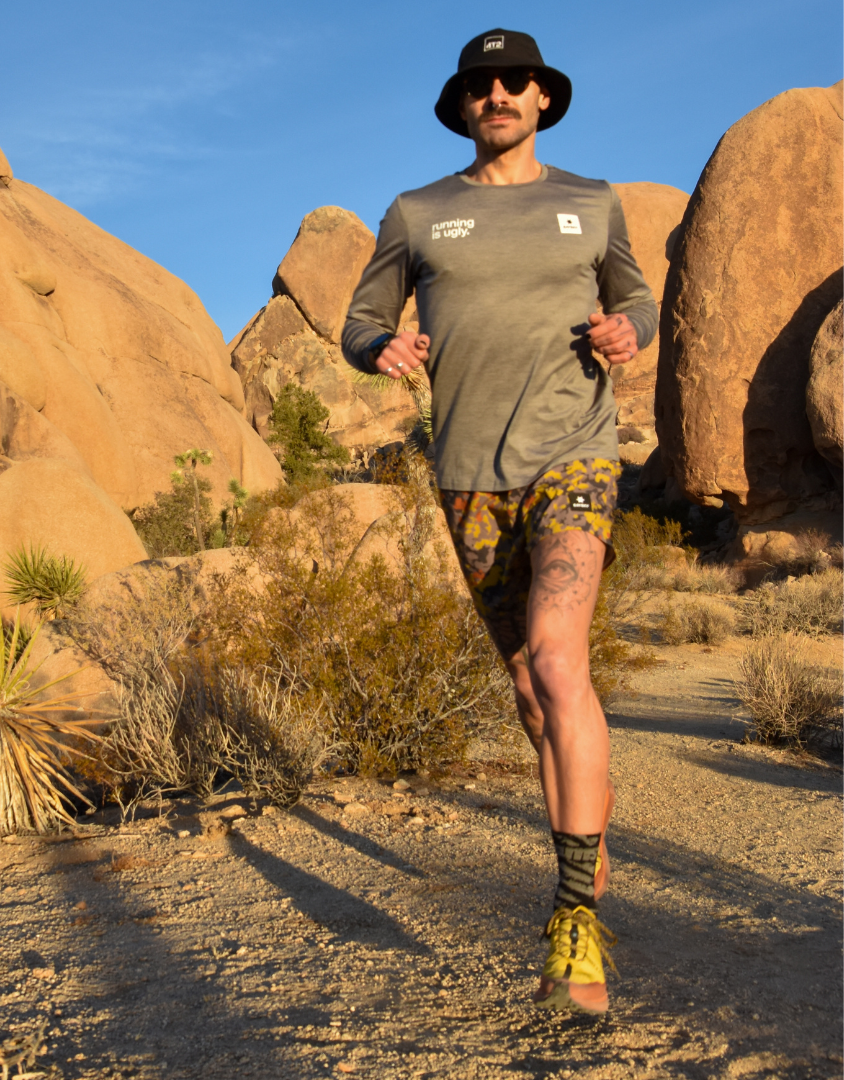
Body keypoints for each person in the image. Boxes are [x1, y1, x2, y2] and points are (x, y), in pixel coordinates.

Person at [341, 28, 657, 1014]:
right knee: (529, 689)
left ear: (543, 97)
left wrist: (629, 328)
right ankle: (585, 821)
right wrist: (381, 348)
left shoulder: (590, 202)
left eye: (516, 80)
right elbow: (359, 321)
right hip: (468, 475)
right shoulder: (417, 212)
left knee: (558, 658)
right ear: (463, 104)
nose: (500, 95)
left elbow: (637, 297)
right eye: (482, 84)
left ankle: (574, 920)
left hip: (576, 455)